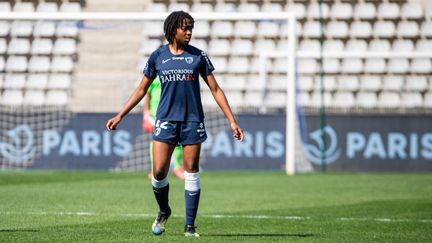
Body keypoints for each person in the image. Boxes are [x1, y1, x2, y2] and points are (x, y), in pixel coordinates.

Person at [106, 11, 244, 238]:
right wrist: (120, 114)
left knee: (191, 171)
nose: (189, 32)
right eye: (185, 28)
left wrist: (232, 121)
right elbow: (141, 90)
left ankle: (190, 226)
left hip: (192, 120)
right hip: (166, 120)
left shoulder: (198, 56)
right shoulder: (158, 56)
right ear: (173, 30)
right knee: (159, 172)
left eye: (191, 28)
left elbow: (216, 89)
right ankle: (164, 210)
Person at [143, 77, 185, 180]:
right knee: (156, 139)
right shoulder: (154, 73)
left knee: (178, 139)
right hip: (155, 114)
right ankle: (154, 168)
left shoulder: (173, 72)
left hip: (172, 112)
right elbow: (147, 93)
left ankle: (178, 167)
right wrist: (146, 112)